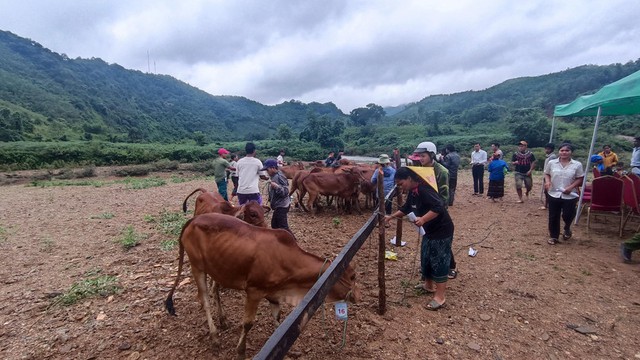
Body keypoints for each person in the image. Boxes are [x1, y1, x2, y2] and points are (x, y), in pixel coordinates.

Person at [384, 167, 454, 310]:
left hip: (441, 230)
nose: (400, 187)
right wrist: (390, 217)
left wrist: (423, 219)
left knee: (439, 260)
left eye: (401, 183)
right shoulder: (413, 192)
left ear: (409, 179)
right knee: (426, 256)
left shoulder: (424, 190)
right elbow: (406, 208)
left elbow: (439, 206)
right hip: (428, 231)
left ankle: (440, 297)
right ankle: (428, 285)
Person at [413, 142, 457, 279]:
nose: (421, 159)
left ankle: (451, 266)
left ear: (432, 155)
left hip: (437, 210)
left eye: (423, 156)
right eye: (419, 156)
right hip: (425, 209)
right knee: (429, 238)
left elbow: (444, 196)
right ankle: (428, 267)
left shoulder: (442, 172)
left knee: (442, 239)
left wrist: (437, 211)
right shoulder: (419, 170)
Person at [544, 143, 584, 245]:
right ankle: (554, 236)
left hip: (570, 195)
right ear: (559, 152)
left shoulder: (577, 165)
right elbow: (547, 173)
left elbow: (580, 178)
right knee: (553, 216)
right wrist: (548, 182)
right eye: (562, 150)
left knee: (568, 214)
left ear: (571, 152)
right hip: (554, 193)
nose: (564, 152)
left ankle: (567, 227)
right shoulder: (552, 163)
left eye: (567, 151)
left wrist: (570, 188)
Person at [261, 159, 292, 233]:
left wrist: (276, 187)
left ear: (273, 168)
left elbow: (286, 192)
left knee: (283, 227)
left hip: (282, 205)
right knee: (275, 225)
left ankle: (292, 242)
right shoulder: (274, 176)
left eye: (267, 170)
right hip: (278, 205)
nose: (266, 172)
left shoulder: (279, 176)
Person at [540, 143, 558, 210]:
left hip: (549, 176)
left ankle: (547, 205)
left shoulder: (552, 157)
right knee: (547, 191)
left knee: (548, 191)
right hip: (547, 175)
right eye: (546, 148)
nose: (546, 150)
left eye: (548, 149)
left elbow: (551, 168)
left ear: (552, 149)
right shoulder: (549, 156)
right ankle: (547, 204)